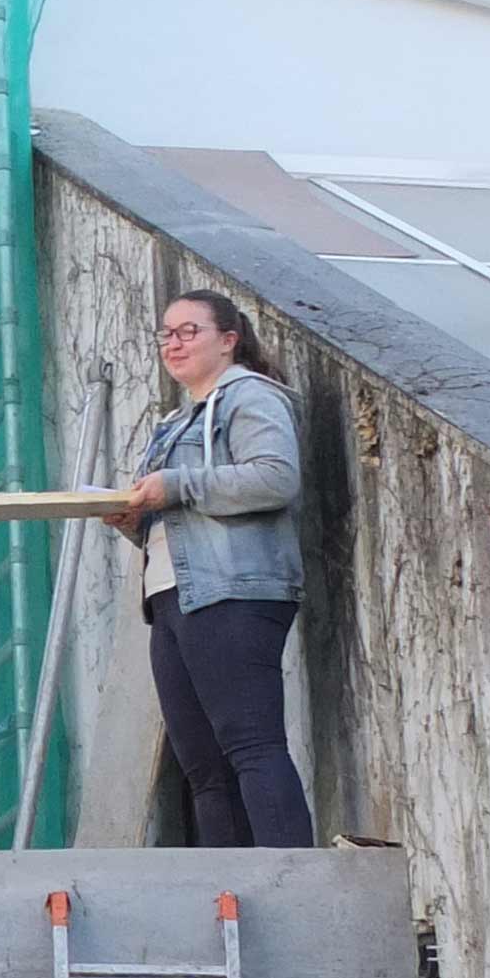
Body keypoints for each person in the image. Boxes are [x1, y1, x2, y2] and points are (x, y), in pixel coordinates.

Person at [121, 288, 317, 849]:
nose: (173, 344)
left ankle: (291, 883)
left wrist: (175, 486)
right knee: (202, 765)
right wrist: (130, 518)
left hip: (233, 593)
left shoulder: (249, 397)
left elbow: (275, 478)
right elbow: (181, 521)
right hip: (172, 598)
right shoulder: (176, 421)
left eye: (189, 331)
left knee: (251, 745)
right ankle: (227, 895)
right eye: (166, 334)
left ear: (228, 340)